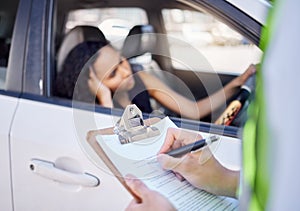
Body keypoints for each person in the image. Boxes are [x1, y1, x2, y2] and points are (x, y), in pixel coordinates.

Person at [55, 40, 256, 120]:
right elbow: (119, 143)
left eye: (121, 61)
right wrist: (105, 99)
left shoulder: (140, 77)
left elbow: (193, 111)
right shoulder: (91, 109)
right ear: (94, 86)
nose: (126, 71)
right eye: (113, 74)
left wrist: (237, 83)